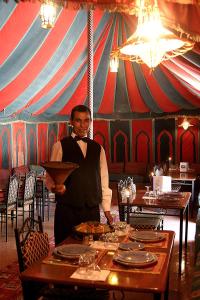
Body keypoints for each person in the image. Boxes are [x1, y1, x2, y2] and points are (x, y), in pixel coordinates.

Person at [47, 105, 113, 245]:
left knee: (92, 251)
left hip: (92, 211)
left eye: (86, 121)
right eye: (78, 121)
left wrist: (106, 209)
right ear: (71, 121)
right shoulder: (59, 146)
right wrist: (54, 188)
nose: (83, 125)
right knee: (65, 253)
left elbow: (103, 180)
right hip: (67, 210)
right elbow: (50, 177)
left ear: (90, 122)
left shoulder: (98, 148)